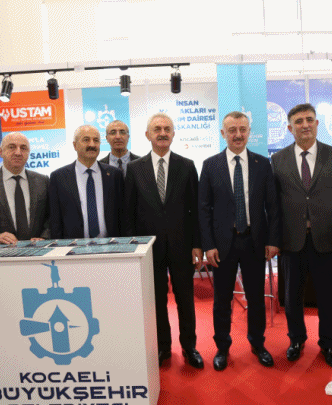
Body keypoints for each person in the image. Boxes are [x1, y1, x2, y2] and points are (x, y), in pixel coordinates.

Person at [271, 103, 332, 369]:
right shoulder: (278, 159)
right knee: (292, 297)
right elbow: (274, 205)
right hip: (292, 241)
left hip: (326, 239)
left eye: (309, 119)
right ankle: (296, 340)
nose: (304, 125)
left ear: (317, 124)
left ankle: (328, 344)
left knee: (327, 296)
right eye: (298, 121)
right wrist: (275, 240)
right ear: (289, 128)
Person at [199, 111, 280, 371]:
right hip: (222, 244)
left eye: (242, 129)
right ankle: (222, 347)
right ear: (223, 133)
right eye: (232, 130)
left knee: (256, 297)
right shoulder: (210, 165)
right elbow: (204, 209)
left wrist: (273, 240)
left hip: (254, 241)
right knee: (222, 300)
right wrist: (208, 245)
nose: (238, 135)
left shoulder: (262, 164)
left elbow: (273, 206)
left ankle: (258, 343)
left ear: (249, 132)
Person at [124, 112, 204, 368]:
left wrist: (197, 244)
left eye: (167, 128)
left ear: (173, 134)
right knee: (156, 301)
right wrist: (134, 248)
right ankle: (163, 347)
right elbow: (129, 211)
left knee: (185, 301)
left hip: (182, 246)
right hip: (149, 249)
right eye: (157, 129)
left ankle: (189, 347)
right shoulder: (134, 169)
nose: (162, 133)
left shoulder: (187, 166)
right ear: (148, 135)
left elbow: (196, 209)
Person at [0, 132, 50, 247]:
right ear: (1, 151)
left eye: (23, 148)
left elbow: (52, 216)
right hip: (0, 253)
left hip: (39, 251)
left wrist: (44, 237)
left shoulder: (43, 181)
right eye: (12, 147)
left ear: (28, 152)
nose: (18, 152)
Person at [49, 125, 123, 239]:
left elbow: (122, 214)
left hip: (112, 245)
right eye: (86, 140)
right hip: (73, 246)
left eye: (96, 140)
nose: (92, 145)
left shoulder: (114, 175)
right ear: (75, 145)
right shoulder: (58, 177)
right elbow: (55, 220)